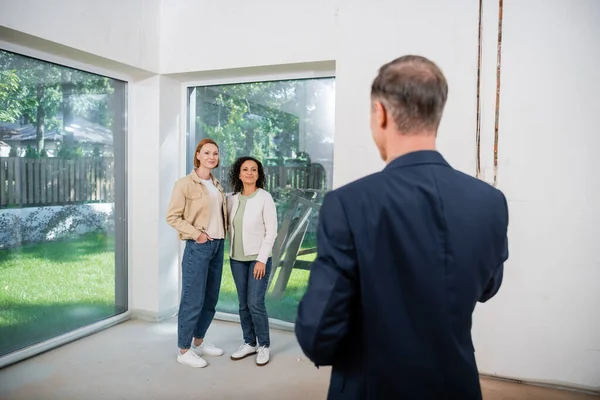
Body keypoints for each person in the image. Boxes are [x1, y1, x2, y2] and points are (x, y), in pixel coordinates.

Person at [295, 55, 509, 399]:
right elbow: (487, 287)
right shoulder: (490, 201)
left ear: (380, 113)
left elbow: (317, 334)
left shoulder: (349, 204)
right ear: (435, 115)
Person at [166, 138, 228, 368]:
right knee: (193, 299)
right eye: (207, 153)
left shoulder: (217, 185)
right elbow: (172, 216)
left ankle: (199, 342)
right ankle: (184, 350)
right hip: (199, 246)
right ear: (198, 155)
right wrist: (196, 234)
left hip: (218, 245)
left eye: (215, 153)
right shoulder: (184, 184)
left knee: (211, 298)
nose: (212, 157)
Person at [226, 156, 278, 366]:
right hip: (236, 260)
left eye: (253, 169)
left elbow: (271, 232)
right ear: (238, 173)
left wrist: (261, 260)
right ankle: (249, 342)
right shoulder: (232, 198)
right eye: (245, 169)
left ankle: (264, 345)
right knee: (243, 305)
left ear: (258, 174)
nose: (249, 172)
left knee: (255, 303)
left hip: (258, 260)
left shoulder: (265, 198)